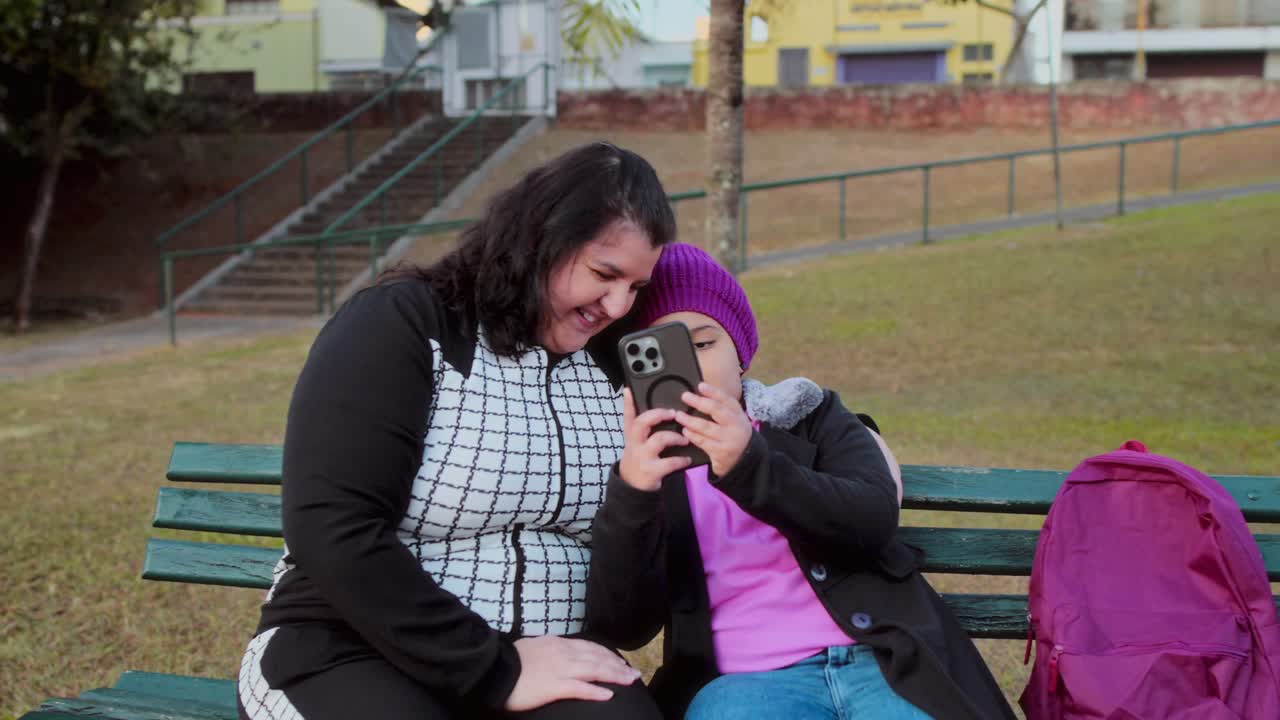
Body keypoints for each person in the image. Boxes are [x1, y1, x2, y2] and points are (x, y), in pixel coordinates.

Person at [237, 142, 677, 720]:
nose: (619, 304)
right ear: (542, 238)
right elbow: (333, 527)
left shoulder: (613, 371)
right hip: (354, 649)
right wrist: (496, 669)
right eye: (604, 273)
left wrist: (639, 494)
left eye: (637, 288)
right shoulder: (403, 324)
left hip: (554, 663)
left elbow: (630, 621)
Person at [585, 243, 1016, 720]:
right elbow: (623, 625)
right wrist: (633, 493)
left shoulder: (808, 415)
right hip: (748, 686)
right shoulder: (643, 467)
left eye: (704, 344)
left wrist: (750, 465)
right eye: (661, 356)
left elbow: (871, 521)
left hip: (884, 664)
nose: (693, 371)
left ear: (741, 353)